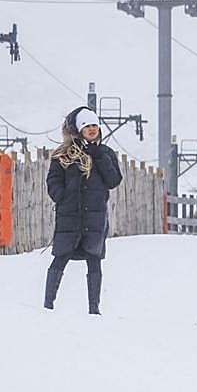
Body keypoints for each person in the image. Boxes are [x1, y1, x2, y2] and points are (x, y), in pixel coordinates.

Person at [44, 106, 123, 314]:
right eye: (87, 126)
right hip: (69, 214)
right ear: (79, 129)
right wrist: (61, 197)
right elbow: (53, 180)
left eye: (95, 125)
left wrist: (99, 157)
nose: (92, 129)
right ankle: (47, 304)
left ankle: (93, 308)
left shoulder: (105, 153)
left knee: (94, 260)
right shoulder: (64, 154)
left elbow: (114, 180)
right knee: (60, 256)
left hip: (95, 216)